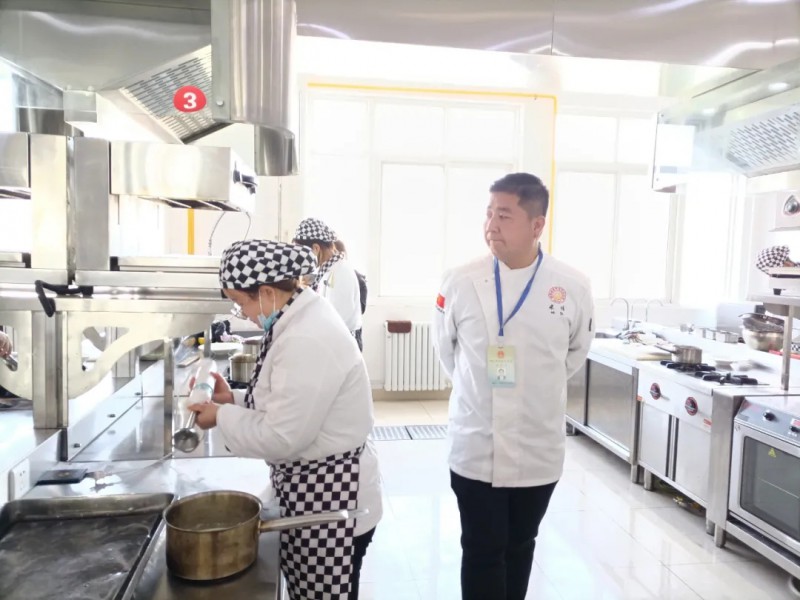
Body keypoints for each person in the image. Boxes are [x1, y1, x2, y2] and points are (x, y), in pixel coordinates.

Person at [189, 240, 382, 600]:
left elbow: (282, 436)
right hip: (314, 488)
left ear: (266, 292)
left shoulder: (307, 337)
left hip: (331, 496)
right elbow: (289, 401)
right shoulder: (298, 317)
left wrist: (221, 416)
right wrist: (233, 399)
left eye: (241, 302)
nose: (242, 313)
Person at [432, 172, 594, 600]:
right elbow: (446, 352)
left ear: (537, 225)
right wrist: (483, 392)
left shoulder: (571, 286)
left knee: (521, 545)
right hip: (476, 444)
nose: (491, 225)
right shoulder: (460, 280)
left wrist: (534, 391)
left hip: (536, 448)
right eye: (488, 213)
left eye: (504, 215)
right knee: (481, 549)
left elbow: (574, 354)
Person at [293, 218, 364, 351]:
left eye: (303, 253)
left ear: (316, 248)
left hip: (342, 343)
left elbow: (338, 319)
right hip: (333, 339)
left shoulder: (341, 271)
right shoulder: (326, 271)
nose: (303, 260)